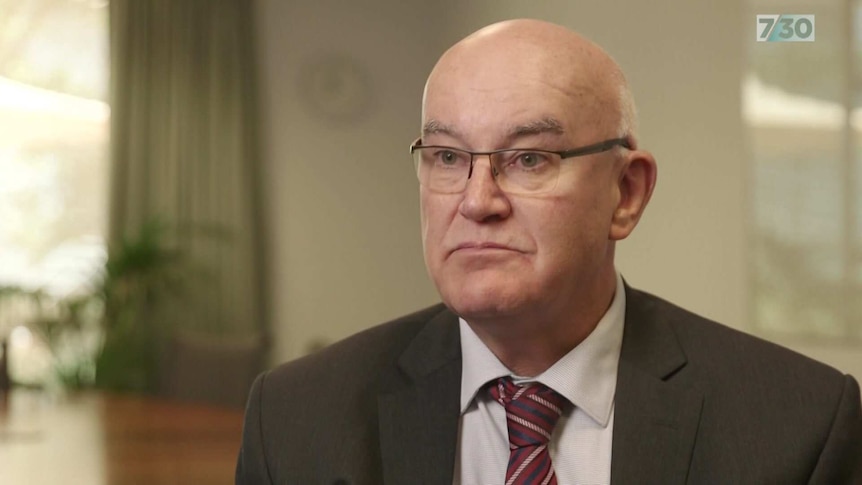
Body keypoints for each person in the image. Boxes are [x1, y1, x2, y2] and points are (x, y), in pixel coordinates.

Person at [235, 19, 862, 485]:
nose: (477, 201)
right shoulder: (295, 419)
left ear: (626, 193)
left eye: (529, 158)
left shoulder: (798, 426)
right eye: (448, 158)